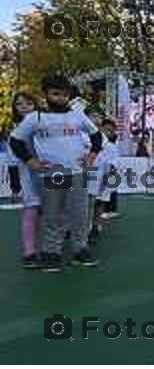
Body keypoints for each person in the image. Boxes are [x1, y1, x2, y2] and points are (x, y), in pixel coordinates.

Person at [9, 74, 103, 272]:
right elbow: (15, 141)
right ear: (46, 95)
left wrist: (91, 156)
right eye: (55, 93)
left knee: (79, 213)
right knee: (53, 215)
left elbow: (96, 135)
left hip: (77, 172)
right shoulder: (36, 118)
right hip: (53, 174)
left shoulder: (77, 115)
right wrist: (30, 161)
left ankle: (80, 249)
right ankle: (51, 253)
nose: (60, 98)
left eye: (64, 94)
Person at [7, 92, 42, 268]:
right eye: (19, 104)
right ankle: (29, 252)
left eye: (29, 103)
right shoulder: (15, 133)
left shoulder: (47, 126)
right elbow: (12, 163)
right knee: (31, 211)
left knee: (57, 209)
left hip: (54, 174)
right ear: (15, 109)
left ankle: (53, 248)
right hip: (29, 177)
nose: (24, 107)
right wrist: (15, 188)